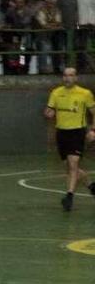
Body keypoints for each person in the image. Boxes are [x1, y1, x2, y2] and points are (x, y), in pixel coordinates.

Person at [44, 67, 95, 211]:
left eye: (71, 75)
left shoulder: (85, 93)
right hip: (61, 132)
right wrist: (48, 112)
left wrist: (93, 130)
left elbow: (94, 112)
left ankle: (69, 197)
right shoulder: (56, 92)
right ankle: (92, 186)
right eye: (65, 76)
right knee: (71, 166)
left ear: (76, 78)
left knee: (73, 165)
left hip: (77, 132)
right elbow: (50, 110)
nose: (68, 78)